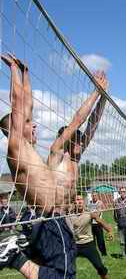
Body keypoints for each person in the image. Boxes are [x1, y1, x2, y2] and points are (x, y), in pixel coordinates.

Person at [0, 53, 77, 279]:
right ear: (13, 129)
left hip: (52, 217)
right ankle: (12, 255)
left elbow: (28, 104)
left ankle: (15, 254)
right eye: (26, 122)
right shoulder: (16, 147)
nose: (32, 123)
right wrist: (13, 69)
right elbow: (18, 103)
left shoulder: (29, 148)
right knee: (62, 275)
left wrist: (26, 74)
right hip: (46, 217)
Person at [47, 71, 108, 210]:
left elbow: (92, 126)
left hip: (68, 214)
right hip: (52, 214)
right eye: (78, 140)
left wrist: (103, 97)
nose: (82, 143)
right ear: (67, 140)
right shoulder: (57, 153)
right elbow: (78, 120)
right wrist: (96, 92)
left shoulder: (75, 158)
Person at [69, 195, 113, 279]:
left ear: (84, 202)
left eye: (81, 199)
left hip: (88, 244)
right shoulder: (69, 215)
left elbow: (101, 222)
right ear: (74, 203)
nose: (80, 202)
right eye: (77, 200)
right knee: (66, 267)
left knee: (100, 268)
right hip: (74, 245)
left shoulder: (89, 214)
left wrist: (110, 231)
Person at [88, 192, 107, 256]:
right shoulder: (90, 203)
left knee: (100, 240)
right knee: (92, 240)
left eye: (95, 195)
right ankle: (94, 253)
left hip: (98, 223)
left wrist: (92, 214)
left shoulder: (100, 203)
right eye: (93, 195)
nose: (94, 196)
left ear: (97, 196)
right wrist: (92, 214)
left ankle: (104, 253)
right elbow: (88, 212)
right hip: (91, 224)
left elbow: (97, 214)